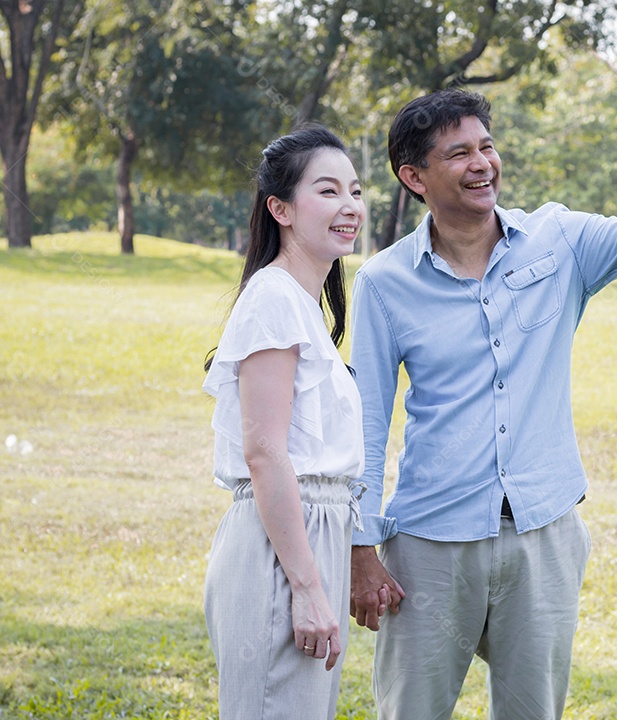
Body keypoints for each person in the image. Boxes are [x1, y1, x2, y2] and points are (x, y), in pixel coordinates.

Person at [348, 89, 617, 719]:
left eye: (487, 147)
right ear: (413, 176)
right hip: (430, 546)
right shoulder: (385, 282)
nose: (482, 164)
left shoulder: (559, 240)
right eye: (459, 153)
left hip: (543, 535)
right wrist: (362, 549)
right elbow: (365, 418)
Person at [202, 124, 386, 720]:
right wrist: (307, 587)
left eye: (355, 191)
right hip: (283, 546)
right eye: (328, 191)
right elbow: (264, 455)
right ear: (279, 208)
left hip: (316, 536)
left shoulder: (304, 305)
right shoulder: (273, 299)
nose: (350, 207)